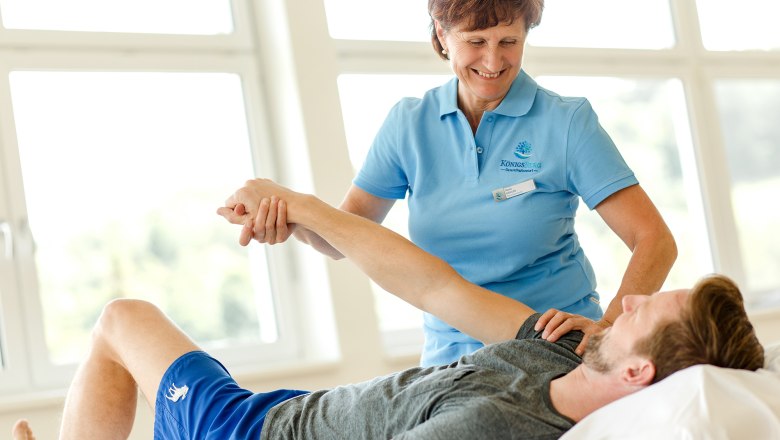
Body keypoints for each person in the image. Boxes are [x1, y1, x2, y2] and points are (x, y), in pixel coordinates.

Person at [12, 180, 764, 438]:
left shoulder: (498, 428)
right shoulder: (565, 345)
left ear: (638, 373)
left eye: (643, 311)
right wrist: (304, 208)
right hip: (290, 411)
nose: (624, 298)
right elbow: (436, 289)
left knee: (120, 321)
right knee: (124, 321)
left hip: (251, 433)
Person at [240, 0, 678, 366]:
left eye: (509, 42)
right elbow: (340, 237)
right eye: (475, 42)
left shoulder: (566, 122)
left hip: (555, 352)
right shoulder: (408, 126)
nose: (493, 61)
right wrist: (288, 220)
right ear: (441, 36)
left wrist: (607, 332)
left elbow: (655, 239)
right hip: (451, 360)